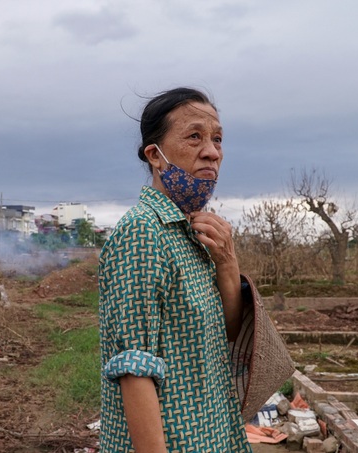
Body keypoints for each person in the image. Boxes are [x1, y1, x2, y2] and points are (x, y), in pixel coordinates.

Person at [98, 87, 253, 452]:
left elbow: (226, 332)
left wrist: (227, 263)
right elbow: (134, 368)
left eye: (217, 139)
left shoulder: (193, 233)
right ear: (155, 155)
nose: (212, 152)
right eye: (194, 136)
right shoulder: (143, 231)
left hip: (212, 430)